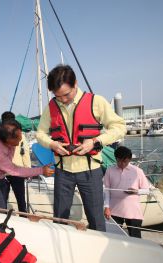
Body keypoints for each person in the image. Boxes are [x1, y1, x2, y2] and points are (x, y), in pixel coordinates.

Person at [36, 64, 126, 231]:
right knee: (59, 218)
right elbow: (40, 134)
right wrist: (52, 143)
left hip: (90, 170)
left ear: (75, 84)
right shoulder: (51, 107)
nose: (62, 99)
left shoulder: (96, 101)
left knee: (96, 218)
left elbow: (120, 127)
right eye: (57, 96)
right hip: (63, 171)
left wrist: (95, 141)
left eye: (66, 94)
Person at [0, 119, 54, 209]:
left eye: (20, 137)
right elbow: (14, 170)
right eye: (16, 140)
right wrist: (41, 170)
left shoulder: (6, 129)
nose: (19, 141)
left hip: (0, 174)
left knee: (1, 206)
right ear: (6, 140)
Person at [103, 146, 151, 238]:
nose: (122, 164)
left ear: (129, 159)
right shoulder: (110, 170)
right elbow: (107, 190)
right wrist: (106, 207)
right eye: (119, 161)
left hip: (133, 211)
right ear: (116, 158)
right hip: (114, 210)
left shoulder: (137, 171)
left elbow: (147, 190)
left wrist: (136, 191)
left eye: (125, 161)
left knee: (135, 237)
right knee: (113, 237)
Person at [1, 111, 31, 213]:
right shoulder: (20, 135)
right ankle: (23, 217)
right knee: (21, 199)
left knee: (2, 199)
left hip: (3, 172)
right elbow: (25, 153)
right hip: (17, 171)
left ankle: (2, 218)